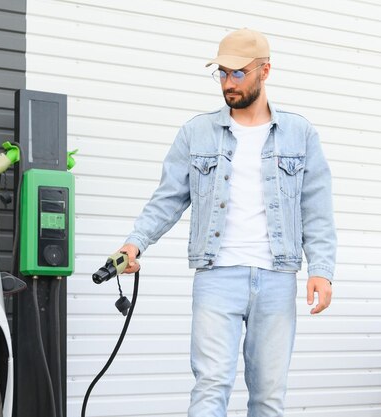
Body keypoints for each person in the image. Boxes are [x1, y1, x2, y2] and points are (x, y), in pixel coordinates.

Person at [117, 28, 336, 417]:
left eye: (238, 73)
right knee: (210, 388)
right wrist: (135, 243)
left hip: (276, 278)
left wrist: (321, 270)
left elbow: (315, 208)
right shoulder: (196, 132)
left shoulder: (300, 134)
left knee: (268, 398)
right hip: (216, 276)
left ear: (265, 72)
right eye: (221, 73)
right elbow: (168, 198)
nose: (228, 83)